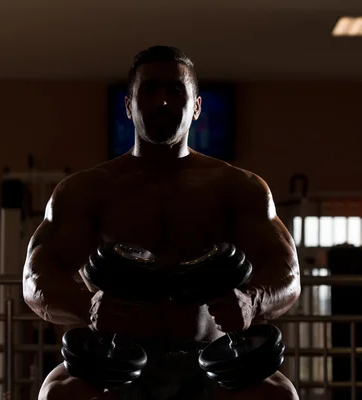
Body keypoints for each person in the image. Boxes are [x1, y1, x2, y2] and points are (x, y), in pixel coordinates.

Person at [23, 45, 301, 400]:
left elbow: (287, 272)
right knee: (60, 393)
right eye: (149, 90)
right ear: (129, 106)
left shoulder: (238, 188)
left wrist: (252, 300)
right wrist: (85, 306)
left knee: (278, 394)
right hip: (118, 361)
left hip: (212, 360)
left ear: (196, 107)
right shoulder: (87, 190)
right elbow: (35, 278)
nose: (162, 102)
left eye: (175, 91)